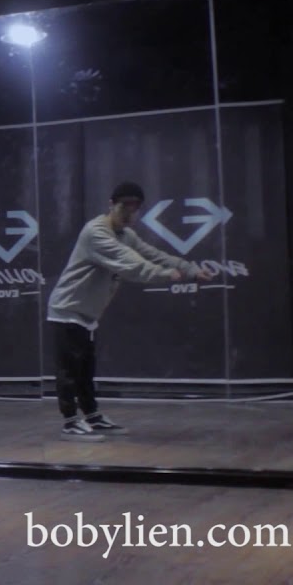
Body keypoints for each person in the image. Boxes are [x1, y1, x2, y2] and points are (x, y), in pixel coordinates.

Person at [45, 182, 213, 442]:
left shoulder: (126, 234)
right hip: (67, 309)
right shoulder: (96, 232)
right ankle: (70, 422)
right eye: (124, 206)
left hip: (87, 314)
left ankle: (92, 416)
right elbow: (129, 263)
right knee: (69, 372)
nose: (129, 212)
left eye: (135, 207)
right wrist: (164, 274)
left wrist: (189, 269)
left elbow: (153, 254)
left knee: (86, 370)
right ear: (111, 205)